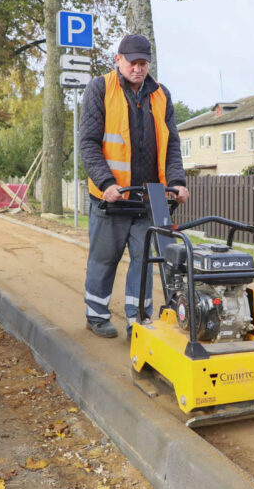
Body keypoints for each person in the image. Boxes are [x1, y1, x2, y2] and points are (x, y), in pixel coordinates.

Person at [80, 34, 189, 339]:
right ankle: (97, 314)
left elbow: (172, 146)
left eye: (143, 63)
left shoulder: (161, 95)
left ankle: (137, 320)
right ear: (118, 60)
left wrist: (177, 182)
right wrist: (106, 183)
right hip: (112, 197)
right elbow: (88, 143)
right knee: (104, 259)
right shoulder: (100, 89)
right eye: (133, 63)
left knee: (144, 261)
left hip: (148, 198)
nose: (138, 69)